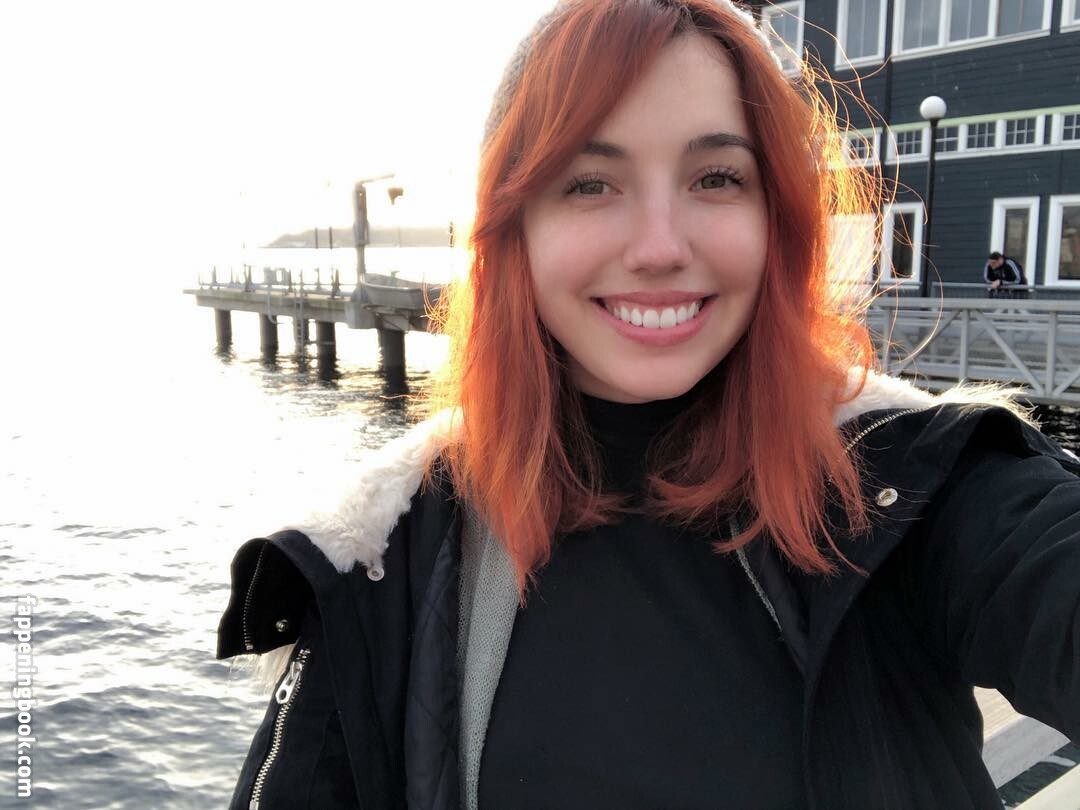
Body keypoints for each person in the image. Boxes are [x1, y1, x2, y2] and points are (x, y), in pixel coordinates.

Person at [216, 2, 1080, 808]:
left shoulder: (916, 484)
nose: (661, 247)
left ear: (777, 216)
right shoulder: (388, 558)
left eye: (717, 177)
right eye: (590, 183)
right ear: (514, 229)